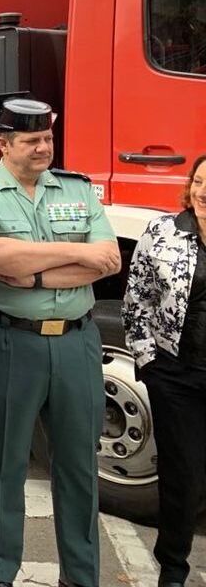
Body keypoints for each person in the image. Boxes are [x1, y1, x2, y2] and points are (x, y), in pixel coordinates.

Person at [0, 93, 121, 587]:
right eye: (31, 140)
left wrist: (33, 273)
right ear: (3, 144)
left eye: (48, 138)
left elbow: (109, 257)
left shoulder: (76, 189)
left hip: (77, 343)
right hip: (10, 342)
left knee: (79, 467)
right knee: (3, 466)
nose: (43, 148)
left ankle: (80, 576)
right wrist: (72, 259)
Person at [122, 153, 206, 587]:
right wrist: (147, 360)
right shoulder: (163, 232)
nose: (204, 190)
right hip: (177, 375)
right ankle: (173, 570)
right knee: (182, 475)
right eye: (198, 180)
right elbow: (137, 297)